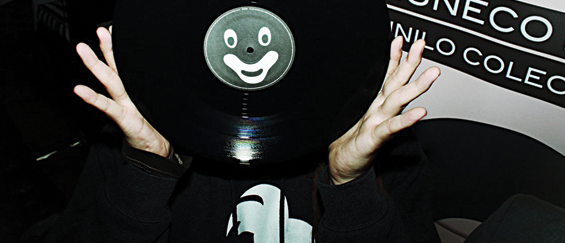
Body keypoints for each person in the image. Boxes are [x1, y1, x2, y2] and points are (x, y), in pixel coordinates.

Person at [44, 25, 443, 243]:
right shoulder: (137, 131)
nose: (250, 46)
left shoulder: (381, 143)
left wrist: (351, 184)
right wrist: (148, 170)